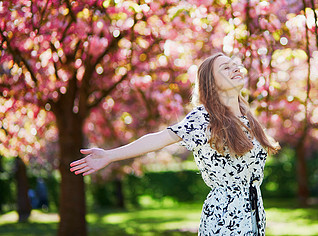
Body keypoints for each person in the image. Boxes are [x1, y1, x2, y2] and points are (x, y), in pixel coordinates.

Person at [70, 53, 280, 235]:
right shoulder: (204, 119)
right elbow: (160, 138)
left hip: (253, 212)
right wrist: (110, 155)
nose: (234, 68)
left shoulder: (246, 118)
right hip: (225, 216)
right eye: (225, 68)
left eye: (234, 65)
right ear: (211, 83)